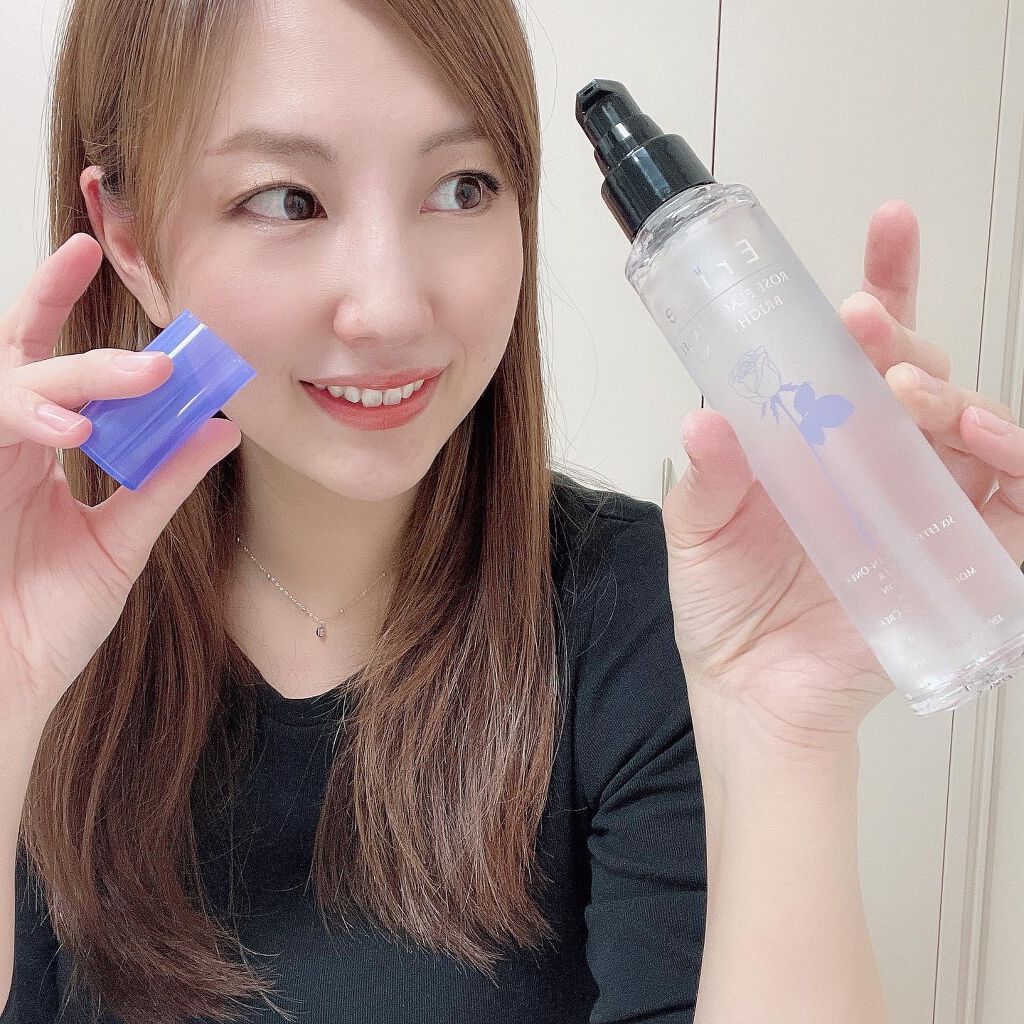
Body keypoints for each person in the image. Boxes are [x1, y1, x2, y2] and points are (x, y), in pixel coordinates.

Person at [2, 0, 1022, 1022]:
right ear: (128, 239)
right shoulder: (48, 615)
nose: (391, 307)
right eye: (287, 200)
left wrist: (786, 734)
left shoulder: (654, 611)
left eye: (462, 187)